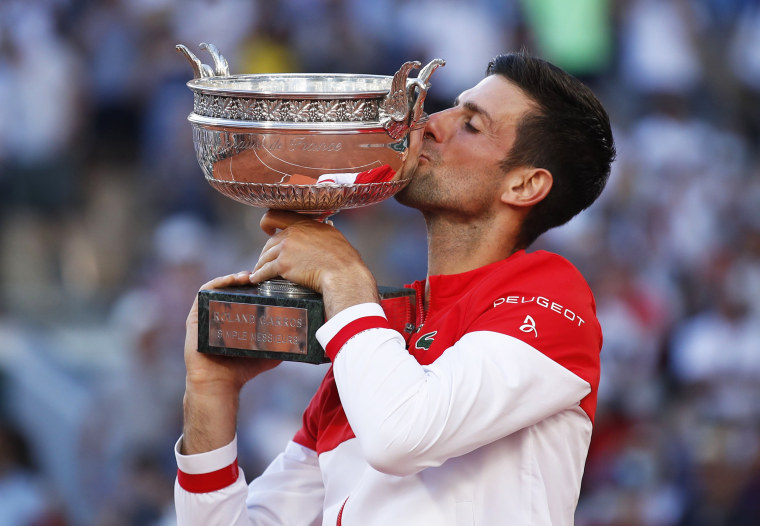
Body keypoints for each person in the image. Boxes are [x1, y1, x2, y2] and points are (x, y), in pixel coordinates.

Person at [174, 51, 616, 526]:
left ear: (525, 185)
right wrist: (211, 392)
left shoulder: (550, 296)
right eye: (450, 107)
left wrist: (342, 274)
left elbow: (399, 437)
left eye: (471, 125)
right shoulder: (379, 337)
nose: (427, 124)